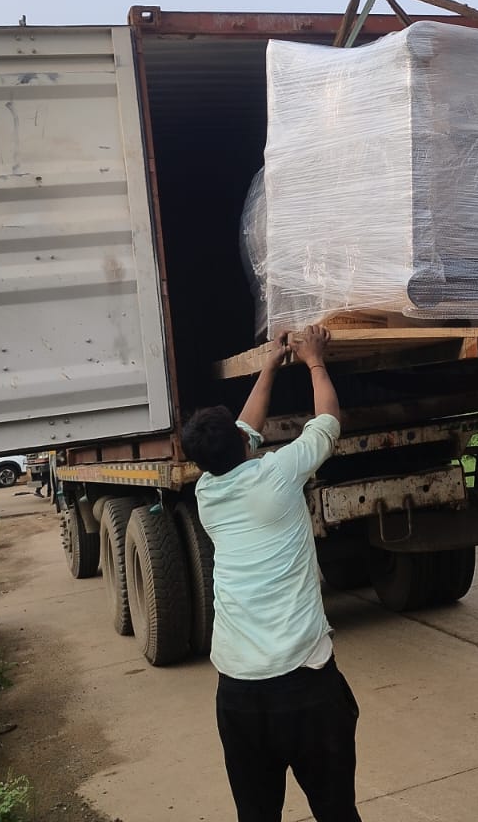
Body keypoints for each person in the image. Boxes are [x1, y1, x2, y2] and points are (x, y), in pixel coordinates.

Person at [179, 324, 362, 822]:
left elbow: (243, 428)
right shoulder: (278, 474)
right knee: (336, 812)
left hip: (237, 693)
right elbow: (328, 421)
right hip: (306, 686)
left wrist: (269, 365)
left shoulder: (206, 493)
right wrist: (314, 359)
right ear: (242, 444)